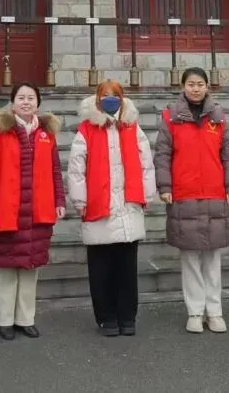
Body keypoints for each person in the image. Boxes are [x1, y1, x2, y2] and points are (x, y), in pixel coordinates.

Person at [67, 79, 156, 337]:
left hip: (128, 204)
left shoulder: (132, 126)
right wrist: (80, 200)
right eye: (104, 95)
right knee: (101, 267)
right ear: (97, 99)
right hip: (99, 204)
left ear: (122, 98)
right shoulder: (87, 129)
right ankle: (106, 317)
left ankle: (127, 317)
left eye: (114, 95)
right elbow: (76, 168)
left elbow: (146, 163)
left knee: (127, 267)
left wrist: (147, 194)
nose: (110, 99)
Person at [154, 67, 229, 334]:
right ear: (183, 86)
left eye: (200, 84)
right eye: (191, 84)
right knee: (190, 257)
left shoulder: (219, 117)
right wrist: (165, 186)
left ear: (207, 87)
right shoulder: (170, 117)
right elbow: (162, 154)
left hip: (214, 191)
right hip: (184, 192)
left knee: (213, 257)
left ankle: (214, 312)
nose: (195, 88)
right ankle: (194, 311)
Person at [0, 82, 66, 340]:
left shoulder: (47, 134)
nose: (26, 102)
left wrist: (59, 200)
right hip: (7, 209)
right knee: (6, 268)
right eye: (21, 97)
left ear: (37, 102)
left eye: (31, 98)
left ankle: (25, 319)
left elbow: (55, 171)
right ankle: (5, 320)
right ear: (13, 102)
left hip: (38, 210)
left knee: (30, 267)